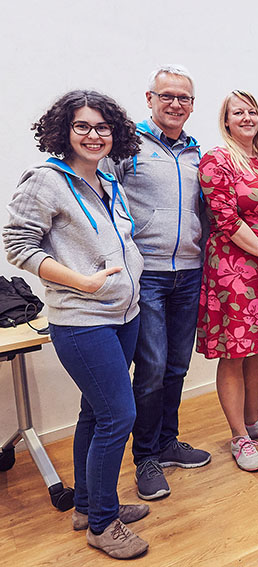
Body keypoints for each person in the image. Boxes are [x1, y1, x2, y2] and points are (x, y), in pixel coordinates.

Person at [3, 91, 149, 558]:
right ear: (64, 131)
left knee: (96, 411)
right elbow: (18, 245)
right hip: (81, 320)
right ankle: (103, 526)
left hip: (123, 315)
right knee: (118, 416)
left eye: (102, 127)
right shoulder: (46, 181)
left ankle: (88, 504)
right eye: (83, 126)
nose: (93, 135)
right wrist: (81, 282)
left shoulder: (106, 177)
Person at [104, 64, 210, 501]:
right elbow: (102, 200)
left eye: (183, 98)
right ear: (149, 99)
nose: (175, 104)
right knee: (149, 370)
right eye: (166, 96)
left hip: (189, 272)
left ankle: (168, 443)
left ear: (192, 105)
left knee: (177, 366)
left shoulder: (196, 152)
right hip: (146, 275)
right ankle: (145, 457)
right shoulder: (127, 147)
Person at [197, 90, 258, 471]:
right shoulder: (216, 161)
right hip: (233, 272)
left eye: (252, 111)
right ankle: (239, 437)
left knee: (256, 348)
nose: (247, 117)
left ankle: (254, 422)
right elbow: (226, 220)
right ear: (226, 120)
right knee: (234, 352)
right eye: (238, 112)